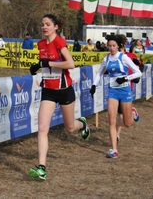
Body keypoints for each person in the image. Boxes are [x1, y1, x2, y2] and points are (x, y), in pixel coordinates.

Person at [28, 14, 90, 181]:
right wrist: (38, 67)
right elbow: (45, 64)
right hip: (48, 90)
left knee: (70, 128)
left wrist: (49, 64)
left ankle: (82, 123)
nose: (44, 27)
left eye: (47, 24)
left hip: (64, 90)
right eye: (42, 24)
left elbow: (70, 64)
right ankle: (42, 167)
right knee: (42, 128)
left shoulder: (59, 42)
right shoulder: (40, 44)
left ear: (56, 27)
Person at [90, 34, 142, 158]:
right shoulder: (106, 59)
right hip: (112, 91)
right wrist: (93, 85)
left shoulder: (123, 57)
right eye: (109, 46)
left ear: (118, 46)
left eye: (114, 46)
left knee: (127, 123)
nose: (111, 48)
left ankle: (133, 112)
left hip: (125, 91)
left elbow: (138, 72)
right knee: (111, 120)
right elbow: (100, 73)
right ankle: (114, 149)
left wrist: (125, 78)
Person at [115, 35, 142, 144]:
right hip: (114, 89)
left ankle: (117, 133)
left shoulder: (131, 56)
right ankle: (116, 135)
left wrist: (135, 77)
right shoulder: (111, 56)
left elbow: (141, 66)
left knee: (125, 119)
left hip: (127, 88)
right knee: (119, 115)